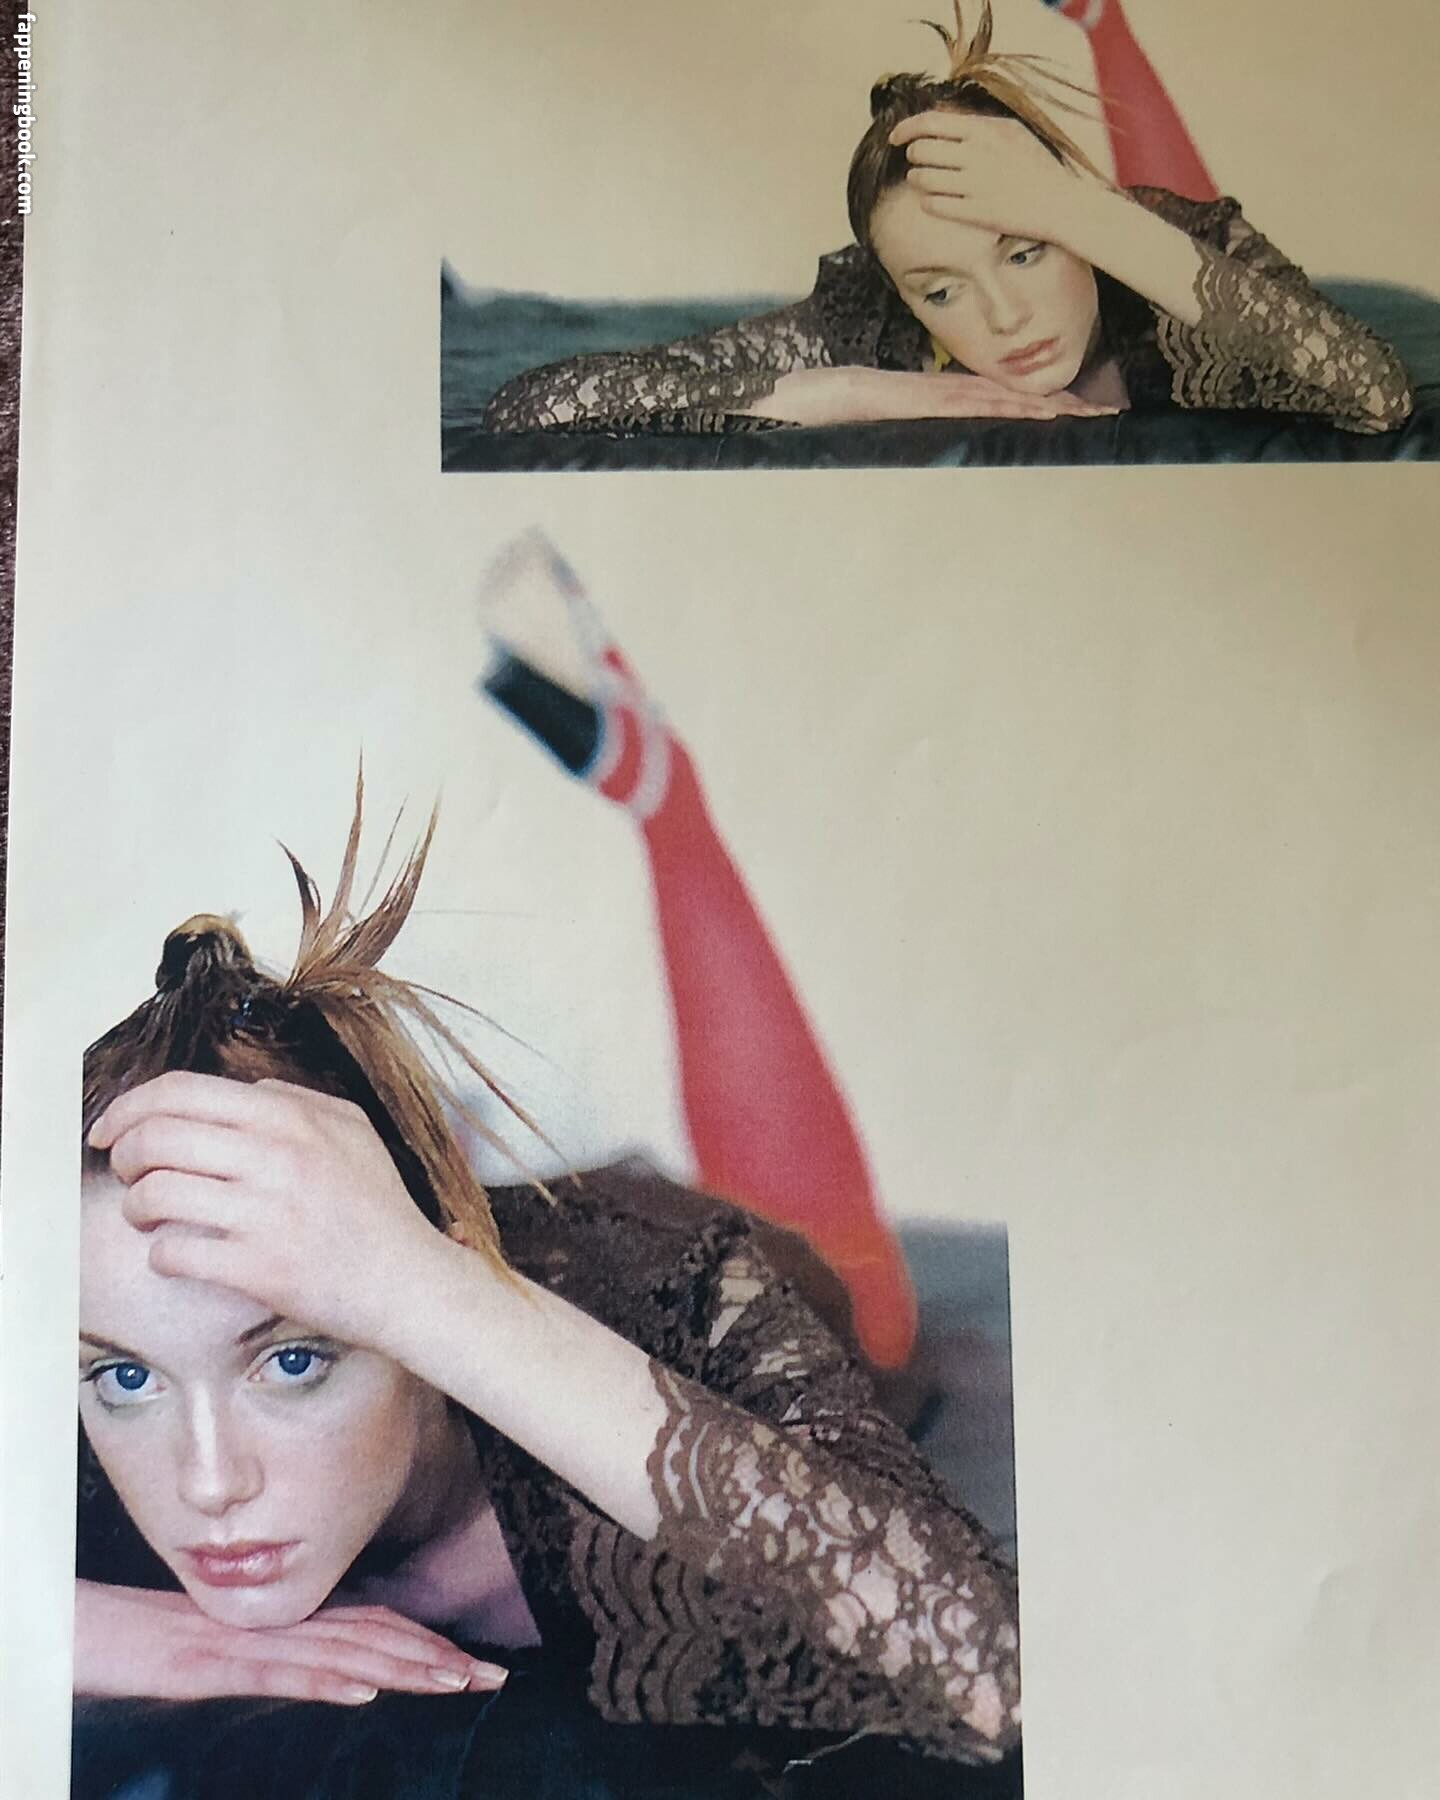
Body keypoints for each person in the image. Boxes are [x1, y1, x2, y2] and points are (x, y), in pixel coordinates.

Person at [73, 786, 1022, 1795]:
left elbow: (997, 1673)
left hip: (820, 1323)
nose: (209, 1484)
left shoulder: (670, 1294)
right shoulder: (81, 1420)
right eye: (126, 1380)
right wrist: (90, 1631)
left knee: (879, 1299)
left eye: (294, 1359)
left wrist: (420, 1283)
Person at [481, 0, 1413, 437]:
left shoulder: (1179, 255)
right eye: (941, 290)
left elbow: (1376, 393)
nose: (1005, 319)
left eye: (1025, 254)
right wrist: (848, 392)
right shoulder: (875, 327)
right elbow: (531, 404)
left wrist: (1074, 211)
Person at [476, 529, 918, 1370]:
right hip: (823, 1302)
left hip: (832, 1316)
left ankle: (649, 772)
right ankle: (648, 770)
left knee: (816, 1256)